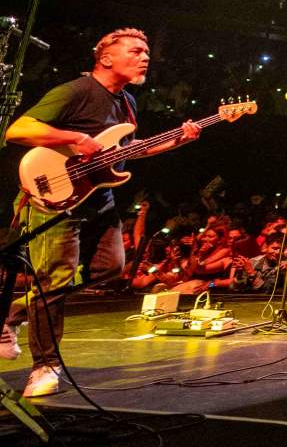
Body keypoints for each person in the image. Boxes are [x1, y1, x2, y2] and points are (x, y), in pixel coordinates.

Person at [3, 29, 199, 397]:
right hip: (54, 198)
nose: (145, 57)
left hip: (97, 200)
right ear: (106, 57)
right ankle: (45, 366)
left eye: (147, 52)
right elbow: (19, 129)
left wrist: (175, 141)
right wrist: (74, 139)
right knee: (54, 282)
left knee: (109, 268)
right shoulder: (76, 91)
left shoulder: (127, 102)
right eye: (136, 50)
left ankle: (11, 312)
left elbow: (126, 151)